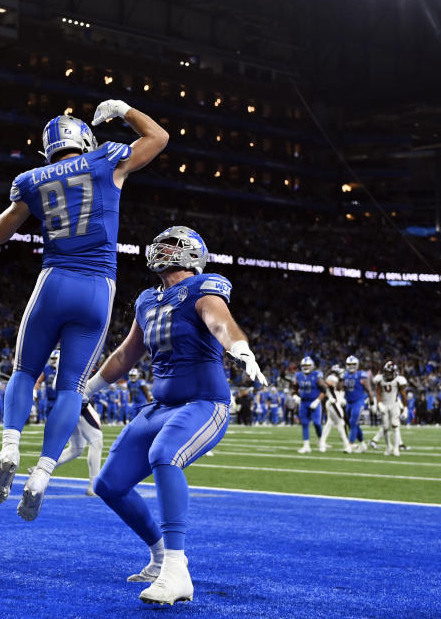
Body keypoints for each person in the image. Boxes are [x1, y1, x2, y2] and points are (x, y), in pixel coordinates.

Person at [0, 99, 169, 518]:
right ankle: (43, 474)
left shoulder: (32, 178)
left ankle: (11, 448)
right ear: (84, 139)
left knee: (25, 371)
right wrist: (124, 110)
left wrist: (29, 200)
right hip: (97, 288)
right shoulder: (106, 160)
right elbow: (159, 138)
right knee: (70, 388)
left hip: (55, 280)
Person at [84, 226, 267, 605]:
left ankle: (177, 569)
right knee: (109, 485)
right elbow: (125, 355)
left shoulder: (203, 286)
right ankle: (158, 555)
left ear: (192, 253)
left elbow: (219, 321)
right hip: (161, 407)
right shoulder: (148, 300)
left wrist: (241, 348)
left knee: (165, 455)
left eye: (171, 245)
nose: (161, 250)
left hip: (203, 403)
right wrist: (85, 390)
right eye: (160, 244)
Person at [36, 397, 104, 497]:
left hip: (66, 406)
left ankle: (39, 470)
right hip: (79, 405)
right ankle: (93, 485)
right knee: (96, 441)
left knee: (76, 449)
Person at [369, 360, 409, 456]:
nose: (387, 374)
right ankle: (388, 446)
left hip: (394, 405)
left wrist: (405, 408)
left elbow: (403, 395)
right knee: (386, 427)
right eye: (386, 372)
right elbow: (378, 393)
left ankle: (396, 448)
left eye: (389, 372)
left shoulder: (398, 380)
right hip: (384, 404)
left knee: (395, 425)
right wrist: (379, 404)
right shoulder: (380, 379)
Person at [293, 356, 326, 454]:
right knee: (304, 423)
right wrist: (295, 396)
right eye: (304, 365)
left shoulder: (316, 375)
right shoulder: (299, 375)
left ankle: (321, 442)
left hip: (314, 401)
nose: (306, 367)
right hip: (303, 402)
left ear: (312, 366)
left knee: (317, 423)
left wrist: (317, 401)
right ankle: (306, 446)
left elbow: (324, 390)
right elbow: (294, 388)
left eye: (307, 365)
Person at [343, 355, 373, 452]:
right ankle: (362, 443)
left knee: (353, 422)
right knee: (353, 424)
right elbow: (341, 387)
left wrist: (371, 398)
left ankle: (350, 444)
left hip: (358, 401)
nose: (351, 366)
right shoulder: (345, 375)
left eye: (353, 364)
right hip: (348, 402)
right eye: (349, 364)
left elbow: (368, 388)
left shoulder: (361, 374)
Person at [318, 365, 351, 453]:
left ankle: (322, 443)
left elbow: (339, 390)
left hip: (335, 403)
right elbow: (325, 386)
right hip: (333, 404)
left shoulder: (338, 380)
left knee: (329, 424)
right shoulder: (332, 378)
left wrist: (341, 398)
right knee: (341, 423)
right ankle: (346, 445)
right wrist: (330, 396)